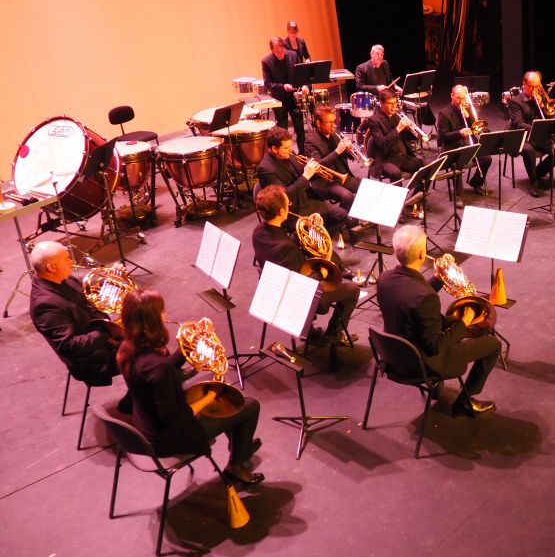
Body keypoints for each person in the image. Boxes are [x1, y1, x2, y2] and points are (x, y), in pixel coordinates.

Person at [116, 289, 263, 485]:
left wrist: (187, 344)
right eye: (161, 311)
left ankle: (240, 444)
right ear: (151, 321)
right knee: (248, 405)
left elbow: (160, 374)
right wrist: (210, 396)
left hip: (147, 423)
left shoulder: (127, 348)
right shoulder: (158, 367)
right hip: (170, 439)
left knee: (225, 398)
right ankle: (236, 464)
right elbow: (176, 419)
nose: (165, 314)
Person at [377, 225, 500, 417]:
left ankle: (438, 388)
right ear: (421, 255)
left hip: (393, 354)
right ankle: (465, 402)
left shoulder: (384, 279)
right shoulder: (426, 298)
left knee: (459, 325)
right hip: (425, 363)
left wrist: (439, 277)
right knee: (493, 344)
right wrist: (465, 321)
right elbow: (435, 346)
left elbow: (411, 298)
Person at [29, 241, 131, 409]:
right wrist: (109, 332)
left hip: (101, 338)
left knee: (146, 329)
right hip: (91, 359)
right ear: (51, 267)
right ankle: (137, 398)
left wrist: (113, 281)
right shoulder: (45, 305)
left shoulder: (63, 280)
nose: (71, 261)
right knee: (144, 347)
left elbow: (92, 299)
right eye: (66, 258)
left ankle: (156, 383)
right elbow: (68, 345)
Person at [252, 185, 359, 346]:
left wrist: (310, 228)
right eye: (288, 205)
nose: (290, 207)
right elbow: (304, 285)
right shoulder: (286, 248)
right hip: (297, 298)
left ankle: (312, 333)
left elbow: (285, 242)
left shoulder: (258, 232)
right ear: (281, 212)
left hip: (271, 290)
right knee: (352, 290)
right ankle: (333, 335)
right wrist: (323, 269)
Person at [257, 126, 349, 235]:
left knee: (343, 215)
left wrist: (314, 170)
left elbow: (302, 175)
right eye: (286, 148)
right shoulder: (265, 169)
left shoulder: (289, 154)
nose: (291, 150)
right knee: (339, 217)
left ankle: (316, 235)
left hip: (307, 199)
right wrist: (306, 176)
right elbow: (283, 196)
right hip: (290, 210)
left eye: (291, 146)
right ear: (274, 149)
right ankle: (310, 238)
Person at [507, 70, 555, 198]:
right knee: (528, 150)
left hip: (538, 136)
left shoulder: (542, 99)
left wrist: (542, 105)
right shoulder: (515, 102)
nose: (535, 89)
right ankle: (533, 183)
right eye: (532, 86)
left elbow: (548, 119)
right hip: (521, 136)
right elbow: (519, 124)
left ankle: (538, 173)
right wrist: (537, 129)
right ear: (524, 84)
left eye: (538, 86)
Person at [436, 85, 492, 207]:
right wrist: (459, 133)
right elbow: (443, 136)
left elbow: (476, 126)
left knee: (487, 159)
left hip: (467, 143)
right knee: (458, 164)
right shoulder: (444, 114)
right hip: (452, 146)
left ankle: (476, 183)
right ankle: (458, 194)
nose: (461, 101)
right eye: (458, 98)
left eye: (463, 98)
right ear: (452, 96)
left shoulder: (467, 109)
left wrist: (469, 116)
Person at [302, 106, 362, 211]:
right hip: (325, 182)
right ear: (318, 123)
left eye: (333, 121)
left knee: (367, 186)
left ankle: (357, 218)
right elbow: (317, 167)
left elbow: (349, 157)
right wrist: (337, 151)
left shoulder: (336, 134)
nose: (332, 125)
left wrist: (349, 150)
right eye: (328, 122)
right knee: (347, 196)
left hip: (343, 177)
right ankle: (343, 222)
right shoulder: (310, 142)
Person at [364, 88, 423, 183]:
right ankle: (397, 197)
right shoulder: (373, 120)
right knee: (396, 173)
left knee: (425, 166)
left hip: (402, 157)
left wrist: (411, 130)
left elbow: (411, 138)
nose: (393, 106)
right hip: (385, 159)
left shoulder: (398, 114)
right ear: (381, 103)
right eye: (390, 103)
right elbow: (381, 143)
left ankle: (418, 195)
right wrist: (398, 129)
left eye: (395, 103)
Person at [261, 36, 307, 154]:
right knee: (282, 130)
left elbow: (302, 74)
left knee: (300, 128)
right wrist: (283, 86)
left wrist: (305, 86)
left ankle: (302, 154)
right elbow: (268, 83)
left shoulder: (293, 55)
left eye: (282, 50)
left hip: (294, 97)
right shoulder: (266, 61)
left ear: (284, 48)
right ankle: (286, 156)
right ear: (272, 50)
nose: (280, 54)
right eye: (277, 52)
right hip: (279, 98)